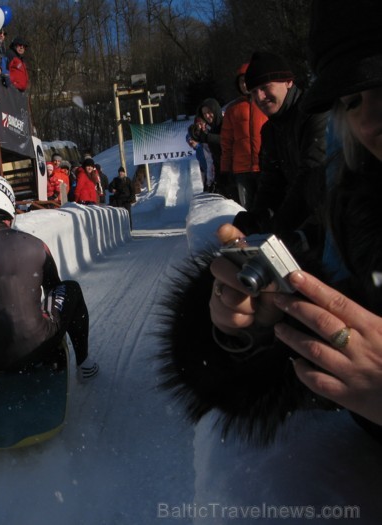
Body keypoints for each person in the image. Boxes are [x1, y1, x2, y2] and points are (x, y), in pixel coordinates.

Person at [159, 1, 382, 444]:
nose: (371, 121)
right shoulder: (355, 204)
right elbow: (278, 179)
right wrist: (254, 333)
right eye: (353, 99)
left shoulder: (316, 129)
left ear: (290, 82)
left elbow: (304, 182)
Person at [0, 174, 99, 382]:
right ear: (8, 204)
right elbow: (54, 288)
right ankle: (84, 364)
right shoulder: (35, 245)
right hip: (36, 348)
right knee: (71, 288)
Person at [233, 51, 328, 255]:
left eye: (266, 87)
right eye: (254, 91)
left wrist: (280, 226)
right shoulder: (270, 130)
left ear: (288, 82)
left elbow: (312, 174)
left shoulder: (315, 114)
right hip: (303, 223)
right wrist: (256, 219)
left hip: (330, 222)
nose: (259, 97)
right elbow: (271, 183)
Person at [220, 63, 268, 210]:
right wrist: (224, 170)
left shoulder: (267, 103)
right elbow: (226, 143)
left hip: (265, 167)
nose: (245, 84)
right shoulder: (232, 109)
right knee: (247, 210)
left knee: (268, 208)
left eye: (248, 79)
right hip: (242, 170)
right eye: (241, 81)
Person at [191, 98, 231, 198]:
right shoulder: (210, 129)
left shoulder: (227, 122)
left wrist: (208, 138)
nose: (207, 116)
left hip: (235, 171)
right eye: (204, 114)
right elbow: (214, 158)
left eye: (209, 112)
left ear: (215, 110)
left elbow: (228, 139)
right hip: (222, 172)